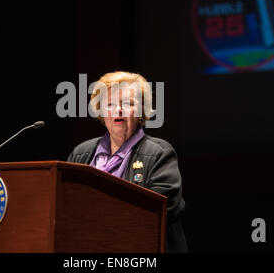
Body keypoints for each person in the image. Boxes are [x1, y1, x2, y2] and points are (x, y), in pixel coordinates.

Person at [67, 71, 187, 252]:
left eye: (128, 104)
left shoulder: (159, 154)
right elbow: (66, 206)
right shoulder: (81, 154)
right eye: (110, 104)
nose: (118, 109)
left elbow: (157, 212)